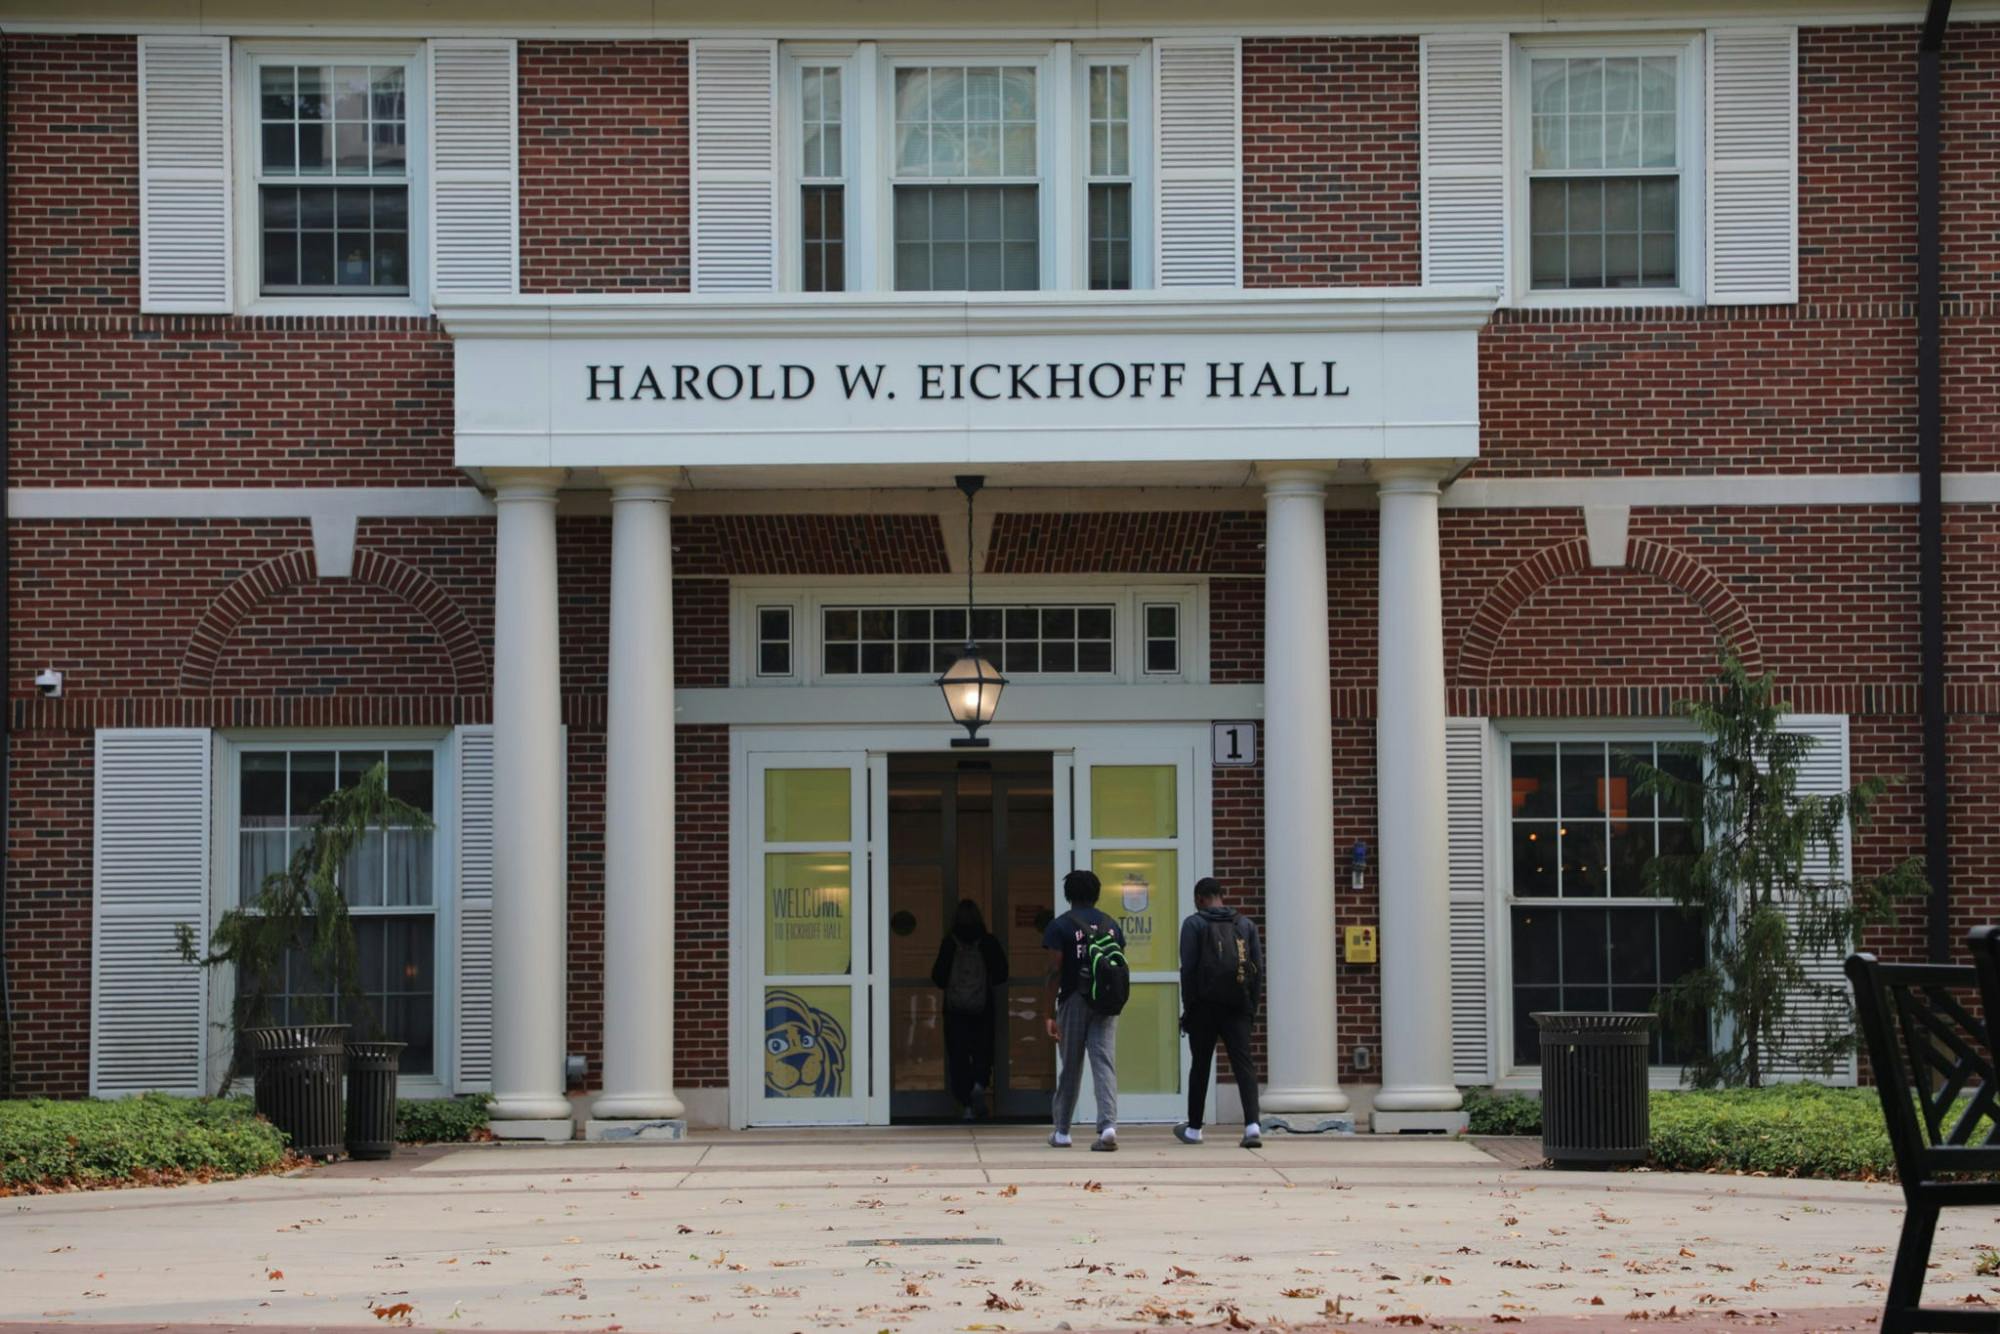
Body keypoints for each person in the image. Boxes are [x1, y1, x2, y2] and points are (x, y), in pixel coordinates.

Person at [1175, 876, 1266, 1149]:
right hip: (1238, 1005)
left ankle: (1194, 1129)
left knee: (1200, 1065)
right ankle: (1252, 1125)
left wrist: (1188, 1007)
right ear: (1220, 895)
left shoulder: (1194, 924)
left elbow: (1188, 970)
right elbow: (1257, 969)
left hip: (1203, 1006)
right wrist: (1252, 1007)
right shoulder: (1245, 924)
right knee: (1243, 1064)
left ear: (1200, 898)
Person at [1042, 868, 1124, 1152]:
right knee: (1103, 1062)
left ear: (1068, 895)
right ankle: (1108, 1127)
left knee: (1071, 1065)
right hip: (1105, 1000)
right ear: (1096, 893)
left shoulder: (1060, 926)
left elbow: (1054, 970)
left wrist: (1048, 1013)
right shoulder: (1112, 925)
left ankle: (1062, 1131)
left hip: (1074, 999)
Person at [930, 898, 1009, 1120]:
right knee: (983, 1051)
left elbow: (938, 977)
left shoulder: (950, 943)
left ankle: (965, 1105)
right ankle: (979, 1085)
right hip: (983, 1008)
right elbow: (1002, 973)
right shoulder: (988, 942)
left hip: (955, 1010)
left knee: (958, 1056)